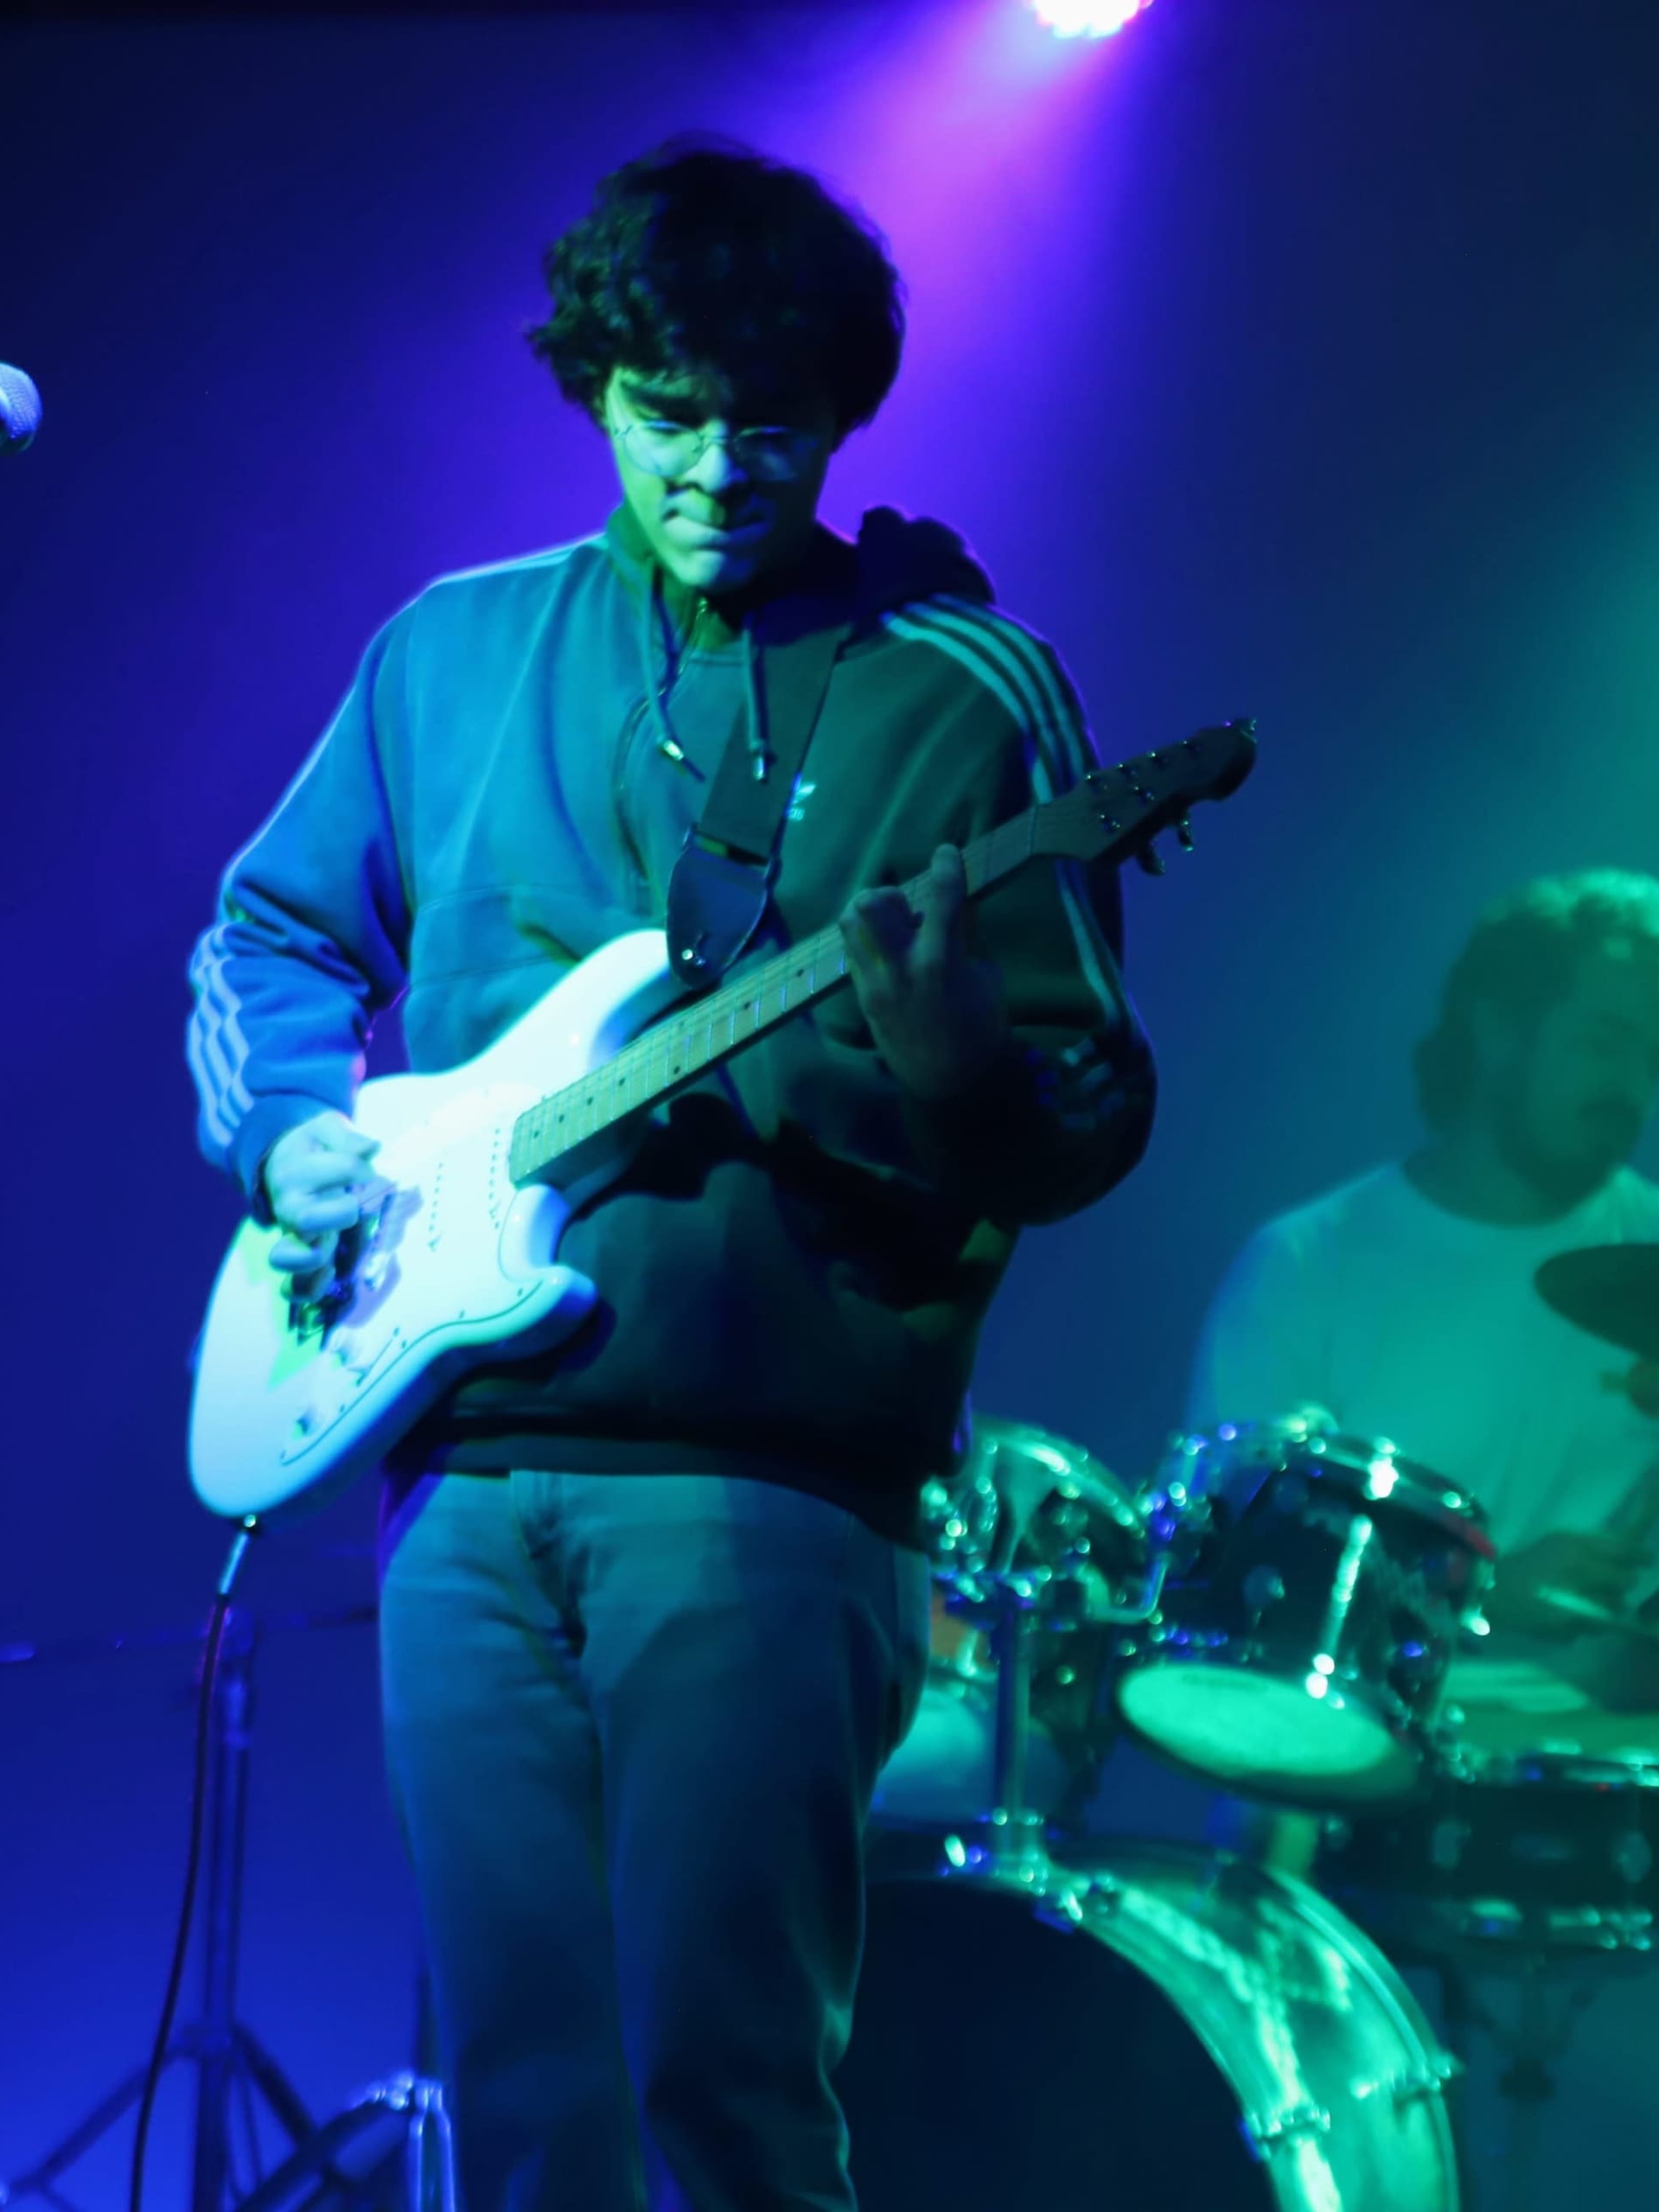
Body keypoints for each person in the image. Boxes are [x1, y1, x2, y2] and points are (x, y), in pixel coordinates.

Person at [184, 141, 1154, 2212]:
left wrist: (958, 1058)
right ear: (597, 389)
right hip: (453, 1458)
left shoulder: (958, 688)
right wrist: (292, 1130)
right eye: (670, 410)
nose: (721, 462)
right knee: (523, 2110)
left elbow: (1080, 1111)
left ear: (848, 410)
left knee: (725, 2098)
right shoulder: (449, 652)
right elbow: (266, 935)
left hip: (764, 1480)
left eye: (773, 420)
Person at [1185, 869, 1659, 2212]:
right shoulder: (1313, 1265)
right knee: (1247, 1895)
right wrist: (1490, 1601)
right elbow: (1250, 1567)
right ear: (1501, 1026)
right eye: (1603, 1038)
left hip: (1629, 1732)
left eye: (1655, 1055)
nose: (1633, 1081)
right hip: (1386, 1729)